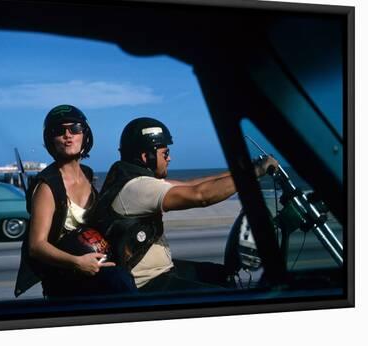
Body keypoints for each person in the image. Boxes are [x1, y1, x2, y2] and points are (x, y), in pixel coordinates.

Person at [87, 117, 278, 293]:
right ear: (146, 157)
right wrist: (255, 173)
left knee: (222, 274)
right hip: (148, 283)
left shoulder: (131, 179)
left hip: (162, 270)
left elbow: (192, 184)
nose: (169, 158)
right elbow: (201, 195)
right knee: (225, 299)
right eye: (165, 153)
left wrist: (244, 169)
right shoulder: (139, 188)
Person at [14, 105, 137, 298]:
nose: (68, 135)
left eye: (75, 129)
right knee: (120, 281)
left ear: (85, 135)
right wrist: (76, 262)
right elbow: (36, 246)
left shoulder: (88, 175)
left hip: (97, 269)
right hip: (66, 278)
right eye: (59, 131)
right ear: (50, 140)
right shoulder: (48, 186)